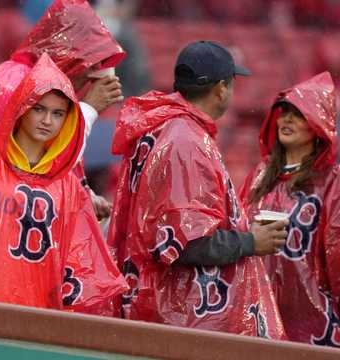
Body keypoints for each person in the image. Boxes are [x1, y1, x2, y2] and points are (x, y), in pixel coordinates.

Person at [0, 54, 126, 315]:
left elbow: (78, 265)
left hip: (36, 320)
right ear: (21, 108)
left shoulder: (68, 186)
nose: (47, 121)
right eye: (39, 109)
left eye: (58, 113)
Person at [107, 41, 288, 337]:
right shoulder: (184, 140)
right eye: (230, 85)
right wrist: (250, 242)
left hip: (159, 302)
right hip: (181, 312)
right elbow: (186, 243)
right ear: (220, 89)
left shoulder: (166, 126)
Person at [0, 0, 125, 220]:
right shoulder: (14, 80)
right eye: (89, 63)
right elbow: (29, 166)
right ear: (68, 55)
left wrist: (82, 193)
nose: (93, 75)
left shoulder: (53, 91)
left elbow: (57, 170)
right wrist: (88, 110)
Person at [240, 72, 340, 346]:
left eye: (297, 114)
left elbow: (336, 252)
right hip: (257, 313)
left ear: (319, 124)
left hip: (314, 320)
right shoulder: (260, 175)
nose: (286, 119)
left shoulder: (333, 181)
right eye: (283, 113)